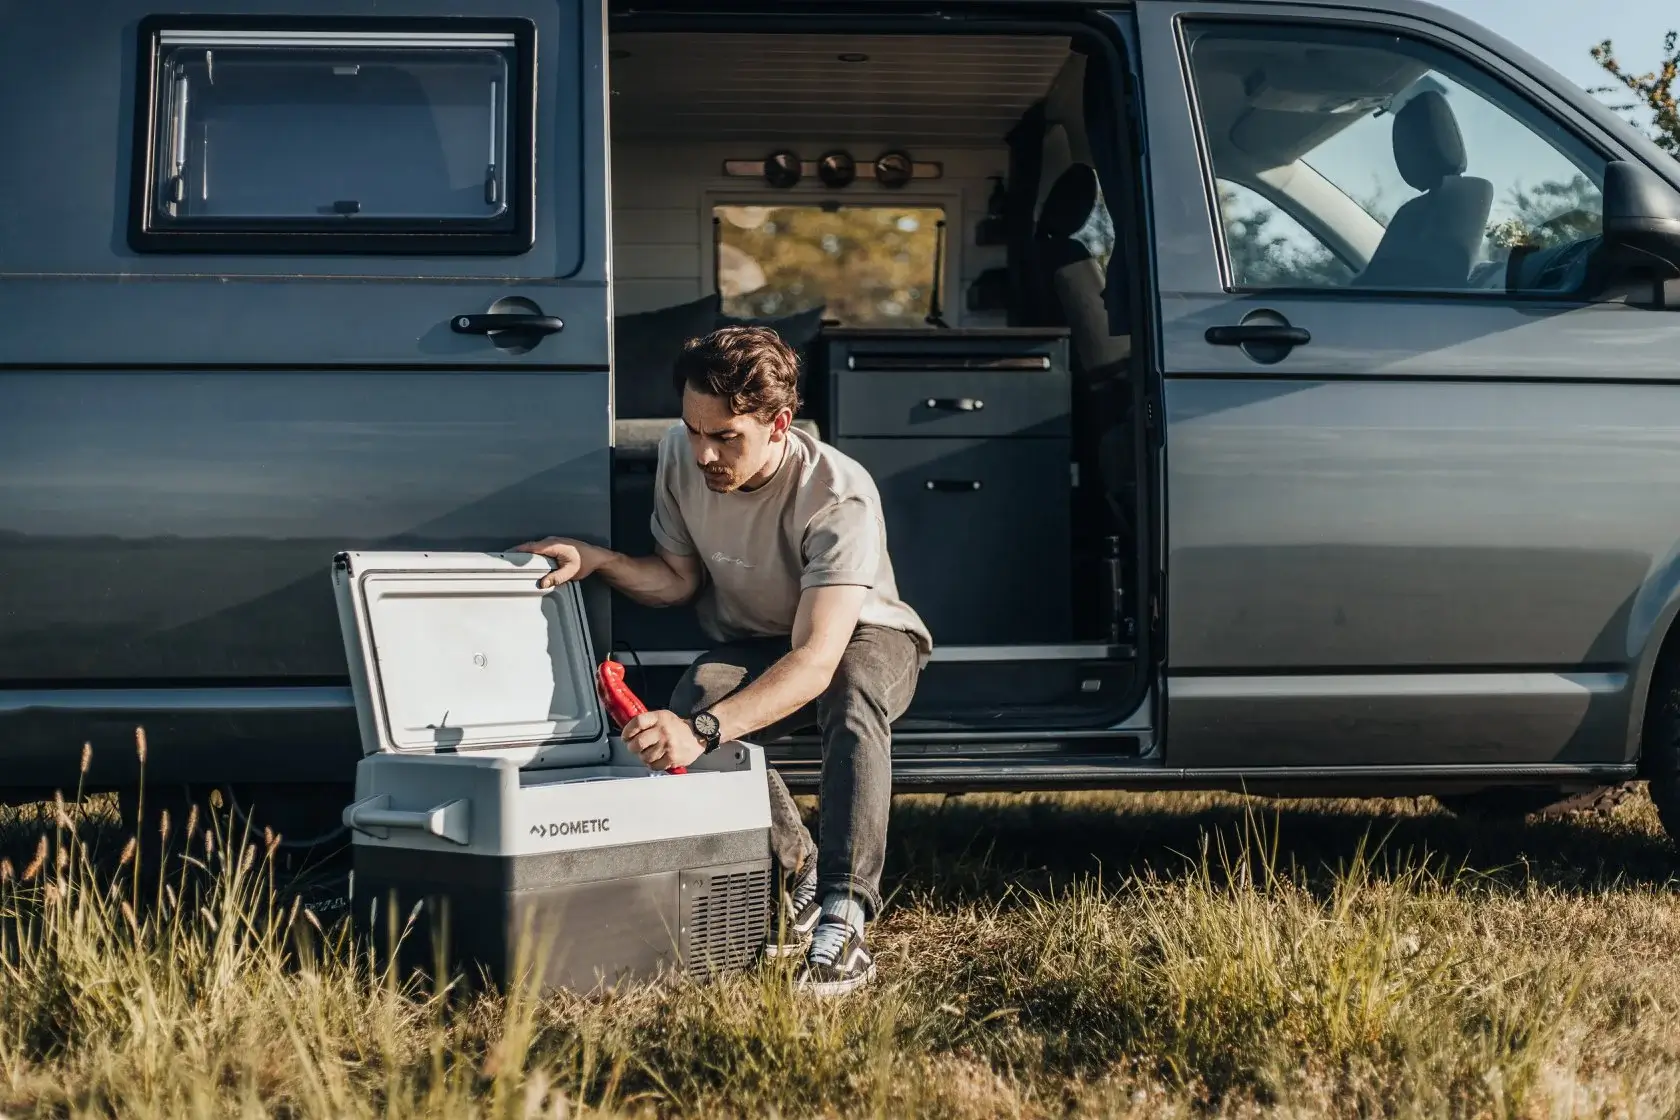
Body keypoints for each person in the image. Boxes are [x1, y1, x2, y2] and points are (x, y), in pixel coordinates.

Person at [511, 326, 931, 996]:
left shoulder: (837, 494)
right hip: (758, 638)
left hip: (861, 636)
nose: (703, 451)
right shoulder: (684, 452)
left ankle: (844, 920)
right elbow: (677, 579)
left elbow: (818, 660)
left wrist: (703, 734)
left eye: (726, 436)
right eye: (693, 428)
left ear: (779, 424)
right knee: (695, 697)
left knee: (849, 693)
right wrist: (596, 561)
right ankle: (801, 875)